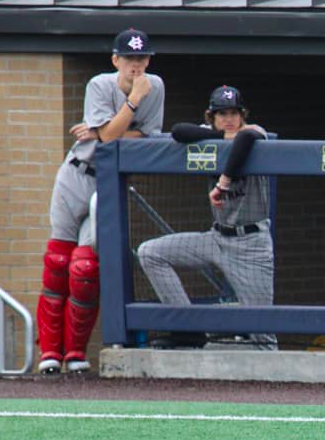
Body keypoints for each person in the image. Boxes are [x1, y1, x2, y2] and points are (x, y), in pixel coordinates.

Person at [37, 29, 164, 374]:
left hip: (109, 182)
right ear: (116, 60)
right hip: (76, 174)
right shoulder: (99, 84)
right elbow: (109, 138)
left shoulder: (156, 86)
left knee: (85, 267)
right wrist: (120, 119)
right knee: (58, 261)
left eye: (142, 58)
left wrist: (108, 128)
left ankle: (74, 353)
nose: (136, 65)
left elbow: (139, 139)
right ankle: (49, 353)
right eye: (129, 59)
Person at [137, 85, 277, 351]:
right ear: (210, 117)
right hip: (215, 238)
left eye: (234, 113)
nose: (229, 118)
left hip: (251, 245)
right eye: (221, 113)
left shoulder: (254, 132)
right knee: (150, 253)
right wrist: (215, 134)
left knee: (264, 339)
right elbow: (179, 131)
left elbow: (245, 140)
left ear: (243, 114)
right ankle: (188, 329)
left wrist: (223, 183)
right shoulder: (210, 136)